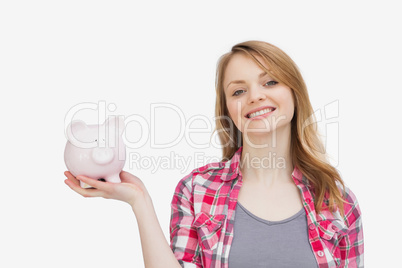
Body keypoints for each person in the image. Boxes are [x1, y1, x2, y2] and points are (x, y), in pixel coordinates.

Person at [64, 40, 364, 268]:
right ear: (229, 111)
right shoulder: (196, 190)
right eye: (238, 91)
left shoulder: (338, 200)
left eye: (270, 81)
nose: (255, 96)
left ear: (294, 94)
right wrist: (139, 202)